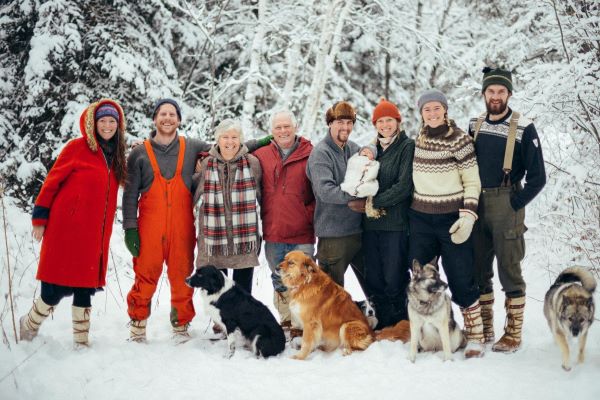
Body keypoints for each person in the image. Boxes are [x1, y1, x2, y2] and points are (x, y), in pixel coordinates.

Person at [123, 99, 270, 343]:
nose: (168, 118)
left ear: (179, 119)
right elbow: (129, 193)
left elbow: (227, 145)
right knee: (145, 274)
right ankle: (138, 325)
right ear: (155, 119)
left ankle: (180, 324)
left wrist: (263, 141)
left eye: (172, 114)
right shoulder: (140, 152)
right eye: (163, 114)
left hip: (182, 225)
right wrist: (130, 227)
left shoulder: (191, 146)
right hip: (150, 224)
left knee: (182, 274)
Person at [20, 99, 127, 347]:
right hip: (66, 229)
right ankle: (29, 324)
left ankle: (81, 341)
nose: (108, 125)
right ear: (94, 123)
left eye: (112, 121)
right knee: (53, 288)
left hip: (94, 234)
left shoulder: (117, 154)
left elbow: (126, 181)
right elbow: (51, 182)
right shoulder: (77, 148)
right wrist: (39, 219)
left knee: (85, 286)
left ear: (118, 125)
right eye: (103, 121)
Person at [468, 67, 546, 353]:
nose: (496, 96)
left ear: (509, 94)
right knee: (478, 267)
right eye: (491, 91)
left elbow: (539, 177)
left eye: (501, 91)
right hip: (476, 202)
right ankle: (486, 326)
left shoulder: (524, 127)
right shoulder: (474, 124)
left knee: (509, 268)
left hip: (506, 203)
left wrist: (515, 202)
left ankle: (513, 332)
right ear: (484, 94)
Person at [409, 89, 485, 358]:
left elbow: (472, 182)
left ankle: (475, 336)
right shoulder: (417, 140)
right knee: (419, 275)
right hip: (420, 218)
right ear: (421, 113)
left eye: (436, 108)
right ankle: (427, 331)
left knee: (461, 276)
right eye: (426, 109)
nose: (432, 113)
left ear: (445, 110)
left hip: (452, 218)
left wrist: (468, 215)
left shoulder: (460, 140)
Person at [253, 110, 315, 334]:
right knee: (279, 277)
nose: (283, 131)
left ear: (295, 127)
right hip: (274, 230)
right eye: (278, 127)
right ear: (271, 132)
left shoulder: (311, 153)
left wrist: (309, 213)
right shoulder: (261, 154)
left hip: (302, 230)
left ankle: (303, 321)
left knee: (303, 278)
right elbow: (231, 149)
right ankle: (288, 319)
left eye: (287, 126)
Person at [305, 101, 370, 297]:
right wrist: (355, 196)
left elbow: (369, 170)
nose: (345, 127)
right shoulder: (321, 153)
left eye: (350, 122)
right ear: (330, 123)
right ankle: (331, 329)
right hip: (333, 236)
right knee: (330, 296)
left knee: (374, 284)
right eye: (340, 122)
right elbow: (325, 191)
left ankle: (380, 324)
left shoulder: (353, 149)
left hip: (358, 233)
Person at [361, 98, 414, 329]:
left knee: (394, 277)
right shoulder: (372, 150)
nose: (385, 125)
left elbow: (404, 186)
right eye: (380, 121)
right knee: (374, 277)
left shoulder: (406, 146)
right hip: (371, 225)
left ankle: (401, 321)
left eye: (389, 120)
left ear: (397, 122)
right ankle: (382, 322)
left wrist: (372, 201)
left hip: (395, 224)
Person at [193, 119, 262, 294]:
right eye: (225, 137)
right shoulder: (207, 163)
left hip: (244, 240)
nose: (230, 141)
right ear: (217, 139)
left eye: (234, 137)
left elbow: (263, 196)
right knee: (218, 288)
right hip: (215, 239)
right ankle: (221, 321)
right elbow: (192, 192)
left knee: (243, 290)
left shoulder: (253, 163)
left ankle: (243, 321)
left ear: (241, 140)